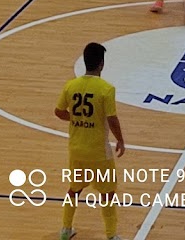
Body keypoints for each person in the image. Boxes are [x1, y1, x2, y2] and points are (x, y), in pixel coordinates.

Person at [54, 41, 125, 240]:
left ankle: (66, 230)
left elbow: (59, 112)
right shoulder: (106, 89)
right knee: (108, 193)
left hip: (76, 150)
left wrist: (77, 118)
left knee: (74, 189)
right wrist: (120, 140)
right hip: (99, 152)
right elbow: (112, 119)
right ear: (101, 64)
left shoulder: (71, 85)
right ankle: (111, 235)